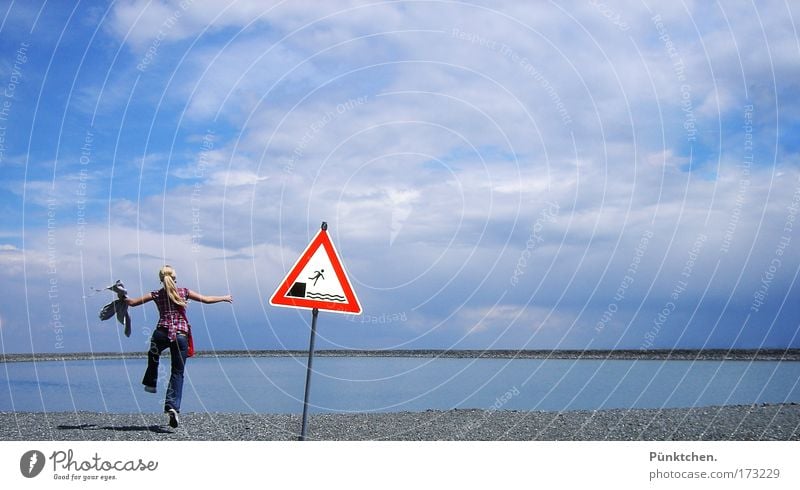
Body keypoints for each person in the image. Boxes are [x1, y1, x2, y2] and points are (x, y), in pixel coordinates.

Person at [126, 265, 232, 428]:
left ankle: (151, 382)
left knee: (153, 356)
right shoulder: (184, 292)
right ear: (174, 278)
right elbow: (207, 299)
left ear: (161, 279)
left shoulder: (156, 294)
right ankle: (172, 407)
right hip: (180, 335)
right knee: (177, 372)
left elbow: (132, 303)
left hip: (161, 333)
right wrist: (224, 297)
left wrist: (121, 296)